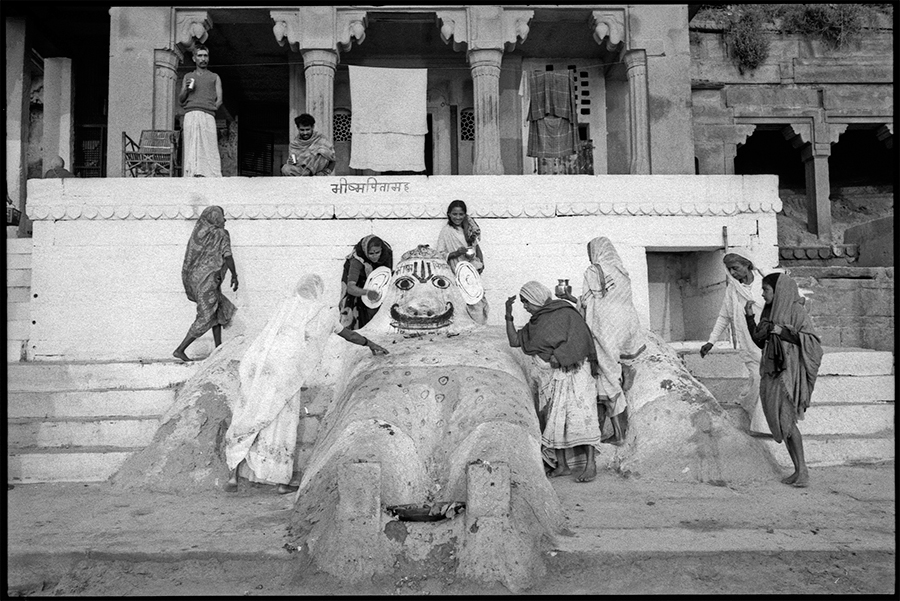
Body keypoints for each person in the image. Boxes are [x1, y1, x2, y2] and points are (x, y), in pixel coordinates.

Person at [225, 274, 388, 494]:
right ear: (318, 290)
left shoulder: (285, 305)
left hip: (258, 365)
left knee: (249, 412)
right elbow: (347, 334)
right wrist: (370, 343)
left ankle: (233, 476)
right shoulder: (323, 312)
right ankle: (281, 482)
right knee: (280, 420)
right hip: (286, 372)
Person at [506, 281, 602, 483]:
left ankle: (590, 465)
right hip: (551, 377)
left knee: (582, 415)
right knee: (554, 418)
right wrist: (508, 314)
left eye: (526, 302)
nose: (525, 306)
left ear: (536, 298)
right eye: (522, 303)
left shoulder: (565, 313)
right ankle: (562, 466)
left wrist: (559, 356)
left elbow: (581, 339)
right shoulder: (536, 322)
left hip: (576, 372)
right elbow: (515, 341)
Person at [557, 237, 646, 446]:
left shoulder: (593, 271)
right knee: (614, 378)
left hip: (605, 331)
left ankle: (619, 434)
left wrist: (571, 300)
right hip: (625, 329)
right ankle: (615, 429)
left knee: (607, 381)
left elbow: (589, 304)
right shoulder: (622, 272)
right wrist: (572, 298)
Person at [746, 272, 823, 488]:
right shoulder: (770, 311)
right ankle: (797, 470)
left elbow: (812, 343)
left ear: (778, 290)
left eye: (766, 290)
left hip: (788, 374)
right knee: (782, 424)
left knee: (788, 421)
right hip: (772, 372)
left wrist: (780, 331)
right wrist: (749, 317)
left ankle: (803, 470)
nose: (762, 294)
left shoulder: (796, 310)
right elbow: (760, 342)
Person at [700, 249, 771, 435]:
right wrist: (711, 341)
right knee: (758, 379)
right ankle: (753, 411)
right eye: (729, 269)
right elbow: (724, 316)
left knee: (763, 381)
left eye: (735, 268)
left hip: (769, 343)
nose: (732, 273)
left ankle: (761, 426)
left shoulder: (765, 286)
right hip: (748, 345)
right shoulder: (733, 290)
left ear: (748, 265)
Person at [173, 205, 238, 361]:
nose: (225, 220)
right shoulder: (221, 234)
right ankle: (180, 349)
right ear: (216, 218)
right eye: (222, 216)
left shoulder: (201, 235)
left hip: (200, 281)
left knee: (216, 312)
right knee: (206, 316)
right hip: (208, 282)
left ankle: (218, 349)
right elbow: (227, 255)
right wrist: (234, 275)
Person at [435, 199, 488, 323]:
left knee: (476, 300)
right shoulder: (446, 231)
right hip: (456, 272)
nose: (457, 217)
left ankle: (479, 328)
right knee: (462, 303)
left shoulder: (468, 228)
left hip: (472, 270)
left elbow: (476, 246)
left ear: (465, 214)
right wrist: (457, 253)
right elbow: (439, 255)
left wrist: (481, 263)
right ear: (448, 214)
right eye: (454, 214)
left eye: (461, 214)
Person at [179, 44, 223, 177]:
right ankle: (192, 173)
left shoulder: (215, 76)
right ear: (194, 58)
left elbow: (219, 99)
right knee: (192, 144)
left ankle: (211, 175)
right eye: (200, 56)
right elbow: (181, 99)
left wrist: (210, 108)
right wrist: (186, 89)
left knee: (210, 145)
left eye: (205, 56)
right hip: (191, 114)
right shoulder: (188, 76)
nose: (203, 59)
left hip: (208, 114)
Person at [339, 235, 393, 330]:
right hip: (358, 284)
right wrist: (367, 292)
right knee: (355, 313)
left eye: (377, 252)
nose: (375, 256)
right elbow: (350, 288)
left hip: (377, 282)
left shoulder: (386, 254)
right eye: (371, 253)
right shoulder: (357, 261)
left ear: (381, 250)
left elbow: (386, 274)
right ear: (365, 252)